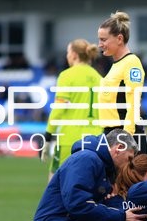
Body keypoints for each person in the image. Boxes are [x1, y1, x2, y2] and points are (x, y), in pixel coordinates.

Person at [41, 39, 103, 181]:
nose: (67, 56)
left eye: (68, 52)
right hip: (95, 140)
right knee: (87, 182)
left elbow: (58, 109)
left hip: (69, 139)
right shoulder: (100, 78)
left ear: (74, 55)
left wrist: (48, 136)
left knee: (55, 183)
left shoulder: (66, 75)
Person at [96, 11, 147, 153]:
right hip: (112, 134)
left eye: (103, 40)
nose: (100, 45)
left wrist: (126, 139)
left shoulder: (131, 63)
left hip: (125, 137)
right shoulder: (116, 65)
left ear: (119, 39)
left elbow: (133, 103)